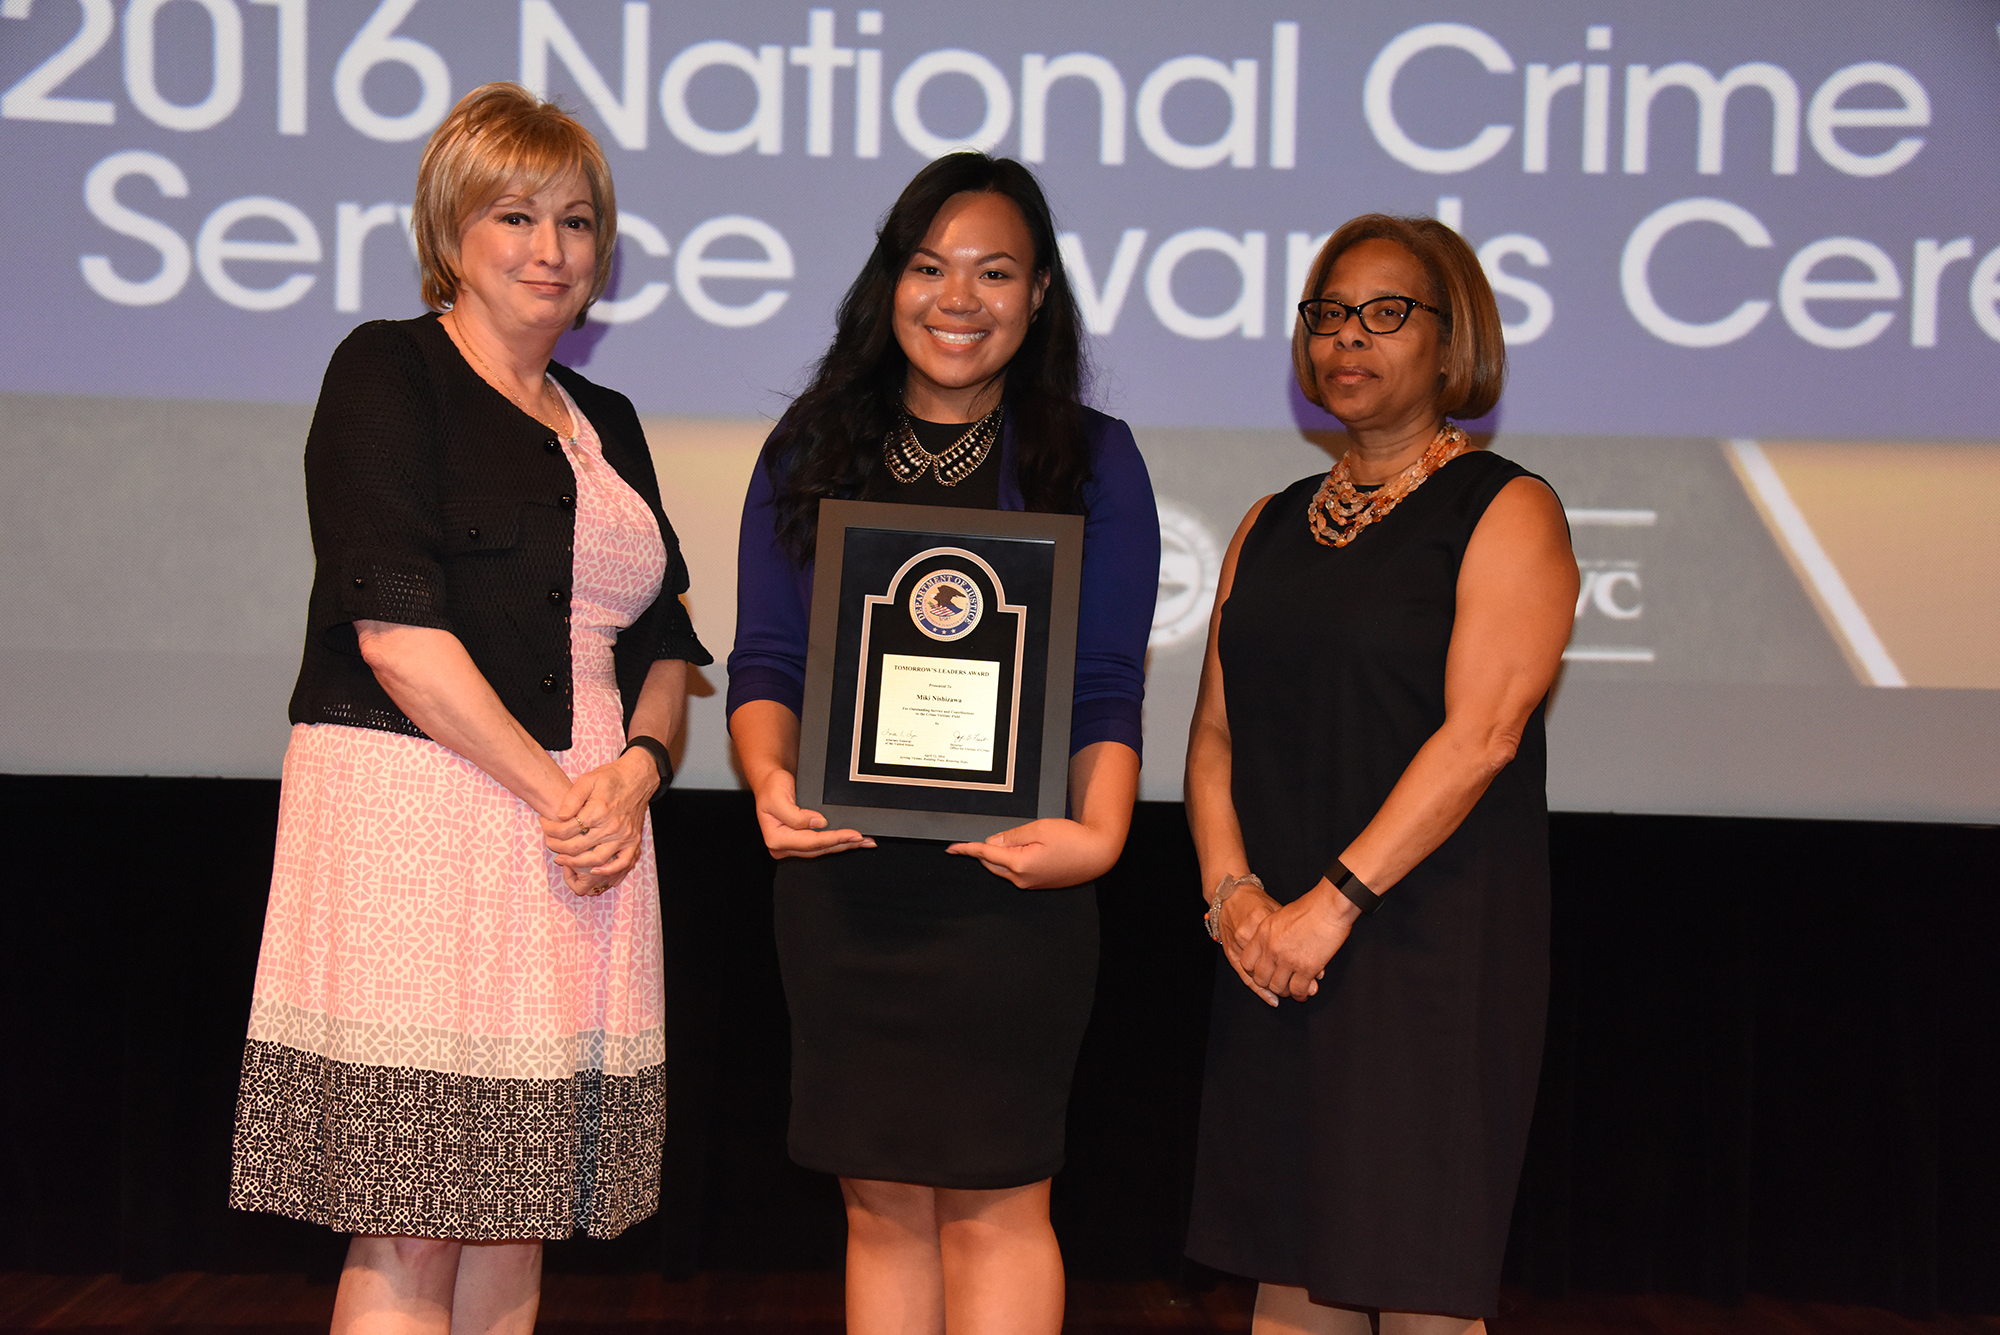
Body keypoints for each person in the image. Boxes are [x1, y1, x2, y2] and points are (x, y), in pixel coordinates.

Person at [228, 83, 710, 1335]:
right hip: (426, 821)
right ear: (451, 235)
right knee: (413, 1218)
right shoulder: (387, 369)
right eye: (514, 217)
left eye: (576, 222)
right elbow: (392, 632)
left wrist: (640, 772)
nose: (550, 251)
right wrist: (566, 797)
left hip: (581, 838)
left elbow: (667, 643)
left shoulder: (605, 421)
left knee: (521, 1202)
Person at [727, 153, 1159, 1335]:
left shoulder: (1089, 458)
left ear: (1038, 298)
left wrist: (1101, 834)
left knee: (994, 1204)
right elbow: (765, 662)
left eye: (993, 271)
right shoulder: (810, 448)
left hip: (1013, 891)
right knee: (876, 1207)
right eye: (928, 266)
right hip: (843, 879)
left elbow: (1106, 683)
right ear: (889, 282)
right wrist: (768, 781)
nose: (956, 297)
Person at [1181, 215, 1578, 1335]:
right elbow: (1212, 739)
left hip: (1423, 958)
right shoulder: (1264, 523)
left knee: (1414, 1299)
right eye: (1325, 314)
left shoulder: (1506, 509)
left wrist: (1330, 907)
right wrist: (1235, 902)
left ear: (1453, 342)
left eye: (1384, 313)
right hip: (1273, 957)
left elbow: (1482, 736)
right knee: (1288, 1288)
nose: (1345, 338)